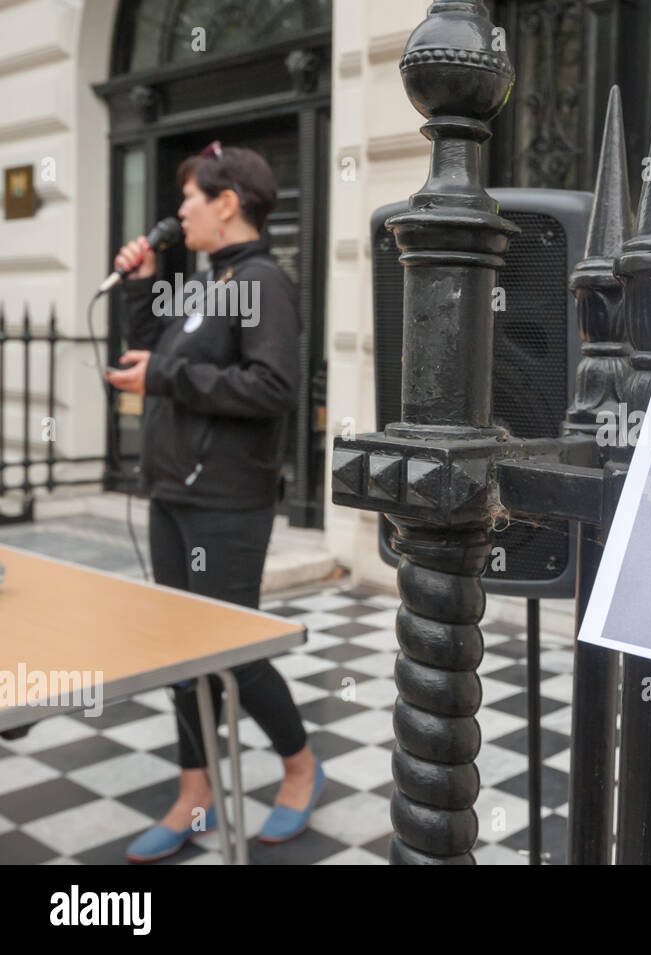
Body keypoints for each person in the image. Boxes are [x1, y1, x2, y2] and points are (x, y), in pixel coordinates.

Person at [107, 141, 324, 862]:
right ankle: (194, 792)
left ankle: (299, 766)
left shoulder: (263, 281)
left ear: (226, 203)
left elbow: (275, 388)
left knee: (231, 652)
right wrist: (140, 286)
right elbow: (158, 362)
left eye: (189, 199)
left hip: (228, 501)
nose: (179, 212)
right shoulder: (207, 282)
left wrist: (168, 378)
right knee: (179, 651)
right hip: (172, 493)